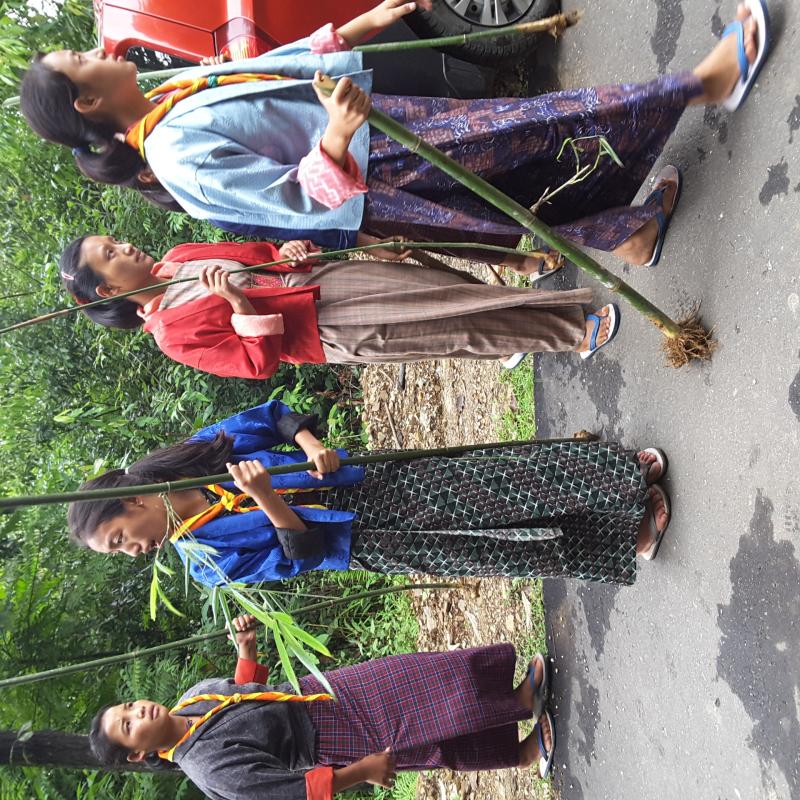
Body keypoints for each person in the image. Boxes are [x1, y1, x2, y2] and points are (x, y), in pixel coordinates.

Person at [19, 1, 769, 273]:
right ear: (86, 101)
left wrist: (356, 29)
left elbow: (268, 71)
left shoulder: (167, 98)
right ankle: (703, 83)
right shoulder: (175, 155)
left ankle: (628, 233)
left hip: (389, 136)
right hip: (387, 168)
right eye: (83, 60)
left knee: (517, 190)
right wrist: (337, 140)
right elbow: (292, 203)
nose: (102, 51)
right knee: (540, 130)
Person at [67, 400, 672, 584]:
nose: (131, 552)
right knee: (499, 554)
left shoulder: (198, 455)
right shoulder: (205, 562)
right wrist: (270, 501)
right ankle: (629, 532)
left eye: (119, 540)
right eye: (118, 554)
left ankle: (621, 476)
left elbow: (272, 416)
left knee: (498, 486)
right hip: (366, 542)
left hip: (372, 485)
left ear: (134, 502)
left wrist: (307, 444)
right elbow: (298, 558)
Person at [89, 613, 558, 796]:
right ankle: (518, 752)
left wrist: (247, 651)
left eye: (129, 705)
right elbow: (292, 792)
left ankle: (515, 700)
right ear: (138, 754)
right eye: (128, 726)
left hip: (323, 694)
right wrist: (363, 771)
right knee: (427, 736)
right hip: (330, 740)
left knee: (422, 674)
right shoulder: (209, 768)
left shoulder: (191, 701)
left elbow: (244, 695)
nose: (139, 711)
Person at [57, 233, 620, 378]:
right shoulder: (171, 336)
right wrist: (233, 302)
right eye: (111, 254)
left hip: (330, 281)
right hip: (329, 330)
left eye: (114, 241)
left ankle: (564, 316)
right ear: (109, 290)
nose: (125, 246)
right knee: (454, 332)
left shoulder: (179, 258)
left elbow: (260, 256)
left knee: (446, 296)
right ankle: (571, 335)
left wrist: (288, 253)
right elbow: (257, 364)